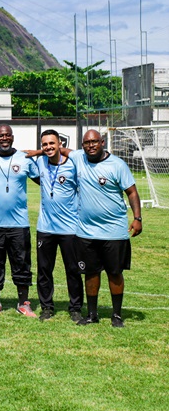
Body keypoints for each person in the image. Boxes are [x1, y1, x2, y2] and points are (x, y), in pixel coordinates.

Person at [70, 129, 142, 327]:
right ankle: (92, 315)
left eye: (94, 141)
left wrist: (137, 218)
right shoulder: (78, 158)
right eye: (86, 142)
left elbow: (132, 192)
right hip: (86, 231)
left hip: (114, 231)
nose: (90, 145)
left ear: (102, 142)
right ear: (82, 145)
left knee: (114, 272)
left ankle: (116, 315)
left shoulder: (117, 165)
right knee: (91, 273)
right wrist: (37, 152)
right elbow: (61, 150)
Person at [0, 124, 39, 318]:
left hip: (19, 223)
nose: (4, 138)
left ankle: (23, 302)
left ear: (12, 137)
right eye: (0, 136)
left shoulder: (25, 159)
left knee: (21, 262)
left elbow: (43, 178)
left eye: (7, 135)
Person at [30, 130, 83, 322]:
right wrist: (37, 153)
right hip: (45, 228)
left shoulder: (73, 165)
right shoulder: (40, 163)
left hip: (70, 228)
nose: (48, 147)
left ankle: (75, 308)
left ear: (60, 143)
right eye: (44, 144)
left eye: (52, 143)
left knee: (73, 270)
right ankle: (46, 307)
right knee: (44, 269)